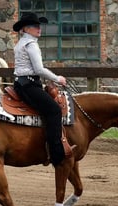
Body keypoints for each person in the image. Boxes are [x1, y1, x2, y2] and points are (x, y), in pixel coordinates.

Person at [12, 12, 74, 166]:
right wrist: (57, 79)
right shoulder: (31, 44)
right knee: (54, 110)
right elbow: (39, 69)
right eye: (34, 26)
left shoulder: (21, 43)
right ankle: (56, 154)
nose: (39, 28)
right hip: (29, 85)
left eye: (39, 25)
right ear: (26, 29)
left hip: (23, 84)